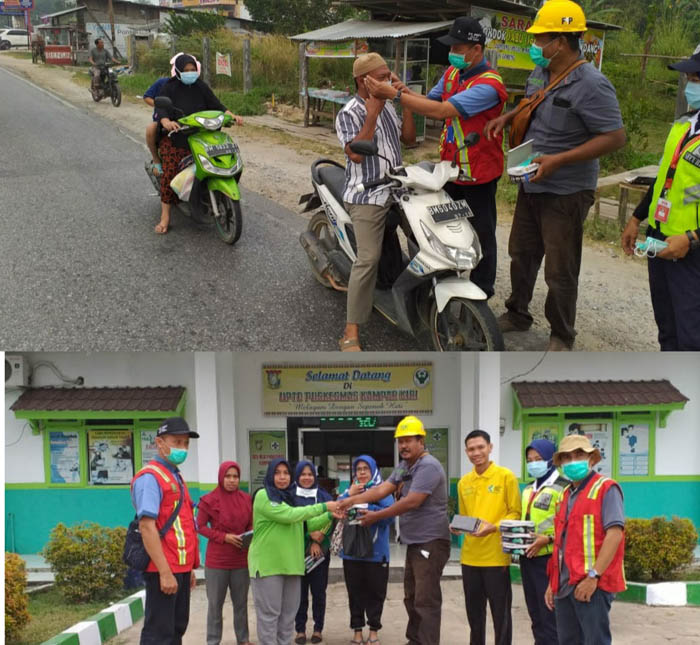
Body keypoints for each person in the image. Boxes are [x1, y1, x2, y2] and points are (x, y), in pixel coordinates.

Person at [485, 0, 626, 351]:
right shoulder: (541, 73)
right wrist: (508, 116)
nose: (534, 45)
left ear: (561, 41)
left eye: (540, 38)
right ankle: (518, 313)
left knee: (560, 269)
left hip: (565, 190)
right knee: (521, 252)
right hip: (532, 182)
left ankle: (562, 335)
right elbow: (533, 101)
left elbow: (615, 137)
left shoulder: (593, 84)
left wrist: (560, 160)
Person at [366, 17, 508, 298]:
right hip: (448, 172)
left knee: (481, 235)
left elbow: (443, 112)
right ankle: (442, 279)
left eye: (458, 46)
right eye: (451, 46)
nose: (452, 52)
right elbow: (430, 103)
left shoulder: (490, 86)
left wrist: (395, 96)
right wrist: (402, 91)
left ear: (476, 50)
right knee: (444, 227)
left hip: (478, 175)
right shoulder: (452, 75)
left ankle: (481, 291)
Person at [337, 416, 450, 645]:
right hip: (415, 542)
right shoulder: (405, 466)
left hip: (431, 541)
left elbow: (411, 502)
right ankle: (415, 639)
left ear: (421, 441)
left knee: (425, 600)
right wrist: (348, 500)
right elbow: (381, 490)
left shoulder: (428, 466)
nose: (403, 446)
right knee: (411, 596)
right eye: (400, 441)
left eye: (408, 440)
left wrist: (375, 516)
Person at [335, 53, 416, 351]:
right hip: (367, 192)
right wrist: (373, 112)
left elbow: (409, 140)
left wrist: (404, 100)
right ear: (362, 80)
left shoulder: (391, 106)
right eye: (381, 77)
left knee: (427, 234)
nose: (387, 81)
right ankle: (350, 331)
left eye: (388, 76)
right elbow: (356, 154)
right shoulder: (349, 112)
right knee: (368, 258)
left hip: (398, 186)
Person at [621, 48, 700, 350]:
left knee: (692, 338)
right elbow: (665, 178)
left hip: (691, 251)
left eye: (696, 79)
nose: (690, 85)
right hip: (660, 240)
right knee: (667, 329)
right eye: (689, 78)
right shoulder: (685, 124)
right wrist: (636, 218)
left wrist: (691, 238)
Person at [248, 459, 341, 645]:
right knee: (269, 616)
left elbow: (305, 523)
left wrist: (331, 514)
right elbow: (290, 516)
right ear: (270, 474)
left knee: (288, 617)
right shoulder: (263, 496)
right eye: (277, 473)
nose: (282, 477)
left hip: (292, 565)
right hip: (268, 566)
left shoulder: (289, 498)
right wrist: (325, 506)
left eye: (286, 473)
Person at [545, 435, 625, 645]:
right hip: (565, 585)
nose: (573, 461)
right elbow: (562, 543)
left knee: (594, 641)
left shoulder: (606, 488)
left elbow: (615, 534)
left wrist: (593, 576)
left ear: (591, 458)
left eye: (579, 454)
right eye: (567, 457)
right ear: (560, 463)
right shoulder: (564, 494)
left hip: (592, 585)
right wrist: (552, 583)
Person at [154, 53, 244, 235]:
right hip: (177, 136)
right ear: (178, 71)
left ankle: (211, 192)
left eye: (193, 70)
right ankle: (165, 216)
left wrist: (230, 115)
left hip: (202, 134)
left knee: (223, 156)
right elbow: (161, 108)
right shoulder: (169, 87)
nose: (190, 73)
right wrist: (166, 121)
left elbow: (216, 104)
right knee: (170, 171)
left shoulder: (200, 86)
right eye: (186, 70)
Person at [130, 417, 200, 644]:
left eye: (186, 444)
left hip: (178, 567)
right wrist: (165, 572)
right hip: (162, 568)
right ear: (160, 443)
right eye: (177, 442)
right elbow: (147, 527)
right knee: (159, 634)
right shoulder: (151, 478)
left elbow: (185, 524)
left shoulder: (175, 476)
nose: (182, 448)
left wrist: (187, 567)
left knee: (176, 628)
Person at [456, 430, 521, 645]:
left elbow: (515, 513)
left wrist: (494, 527)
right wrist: (459, 527)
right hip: (469, 558)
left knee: (500, 615)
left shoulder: (506, 477)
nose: (476, 453)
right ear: (466, 452)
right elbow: (466, 517)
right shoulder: (463, 482)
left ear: (490, 448)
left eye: (480, 447)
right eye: (471, 449)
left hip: (496, 557)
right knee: (474, 615)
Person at [196, 461, 254, 645]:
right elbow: (200, 526)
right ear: (221, 477)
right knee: (215, 605)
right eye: (228, 476)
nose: (231, 480)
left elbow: (252, 524)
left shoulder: (246, 499)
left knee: (241, 604)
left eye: (235, 477)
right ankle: (213, 641)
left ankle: (243, 640)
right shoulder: (209, 500)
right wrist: (223, 537)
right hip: (217, 562)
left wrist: (248, 536)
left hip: (240, 559)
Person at [338, 455, 394, 645]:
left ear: (373, 470)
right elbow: (338, 510)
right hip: (352, 552)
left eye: (365, 469)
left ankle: (373, 631)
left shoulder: (384, 492)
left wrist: (363, 504)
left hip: (376, 554)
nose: (361, 472)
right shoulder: (349, 491)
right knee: (354, 593)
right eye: (358, 469)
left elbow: (388, 518)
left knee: (376, 594)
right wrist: (350, 495)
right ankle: (357, 631)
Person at [520, 440, 569, 645]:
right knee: (535, 615)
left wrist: (547, 539)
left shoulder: (563, 488)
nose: (533, 464)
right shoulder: (528, 489)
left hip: (550, 560)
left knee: (550, 615)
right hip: (528, 559)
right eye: (530, 460)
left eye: (538, 459)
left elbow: (570, 528)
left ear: (551, 460)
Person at [292, 461, 334, 645]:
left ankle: (318, 629)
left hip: (320, 554)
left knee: (319, 592)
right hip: (296, 553)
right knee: (298, 594)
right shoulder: (291, 497)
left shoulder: (324, 496)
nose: (307, 478)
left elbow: (332, 518)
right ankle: (300, 629)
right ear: (297, 476)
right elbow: (291, 520)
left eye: (310, 474)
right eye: (303, 474)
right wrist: (309, 536)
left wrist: (319, 539)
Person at [143, 74, 171, 177]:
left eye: (192, 70)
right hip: (163, 119)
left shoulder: (197, 86)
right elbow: (147, 97)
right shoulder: (162, 83)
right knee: (151, 129)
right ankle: (156, 160)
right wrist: (160, 107)